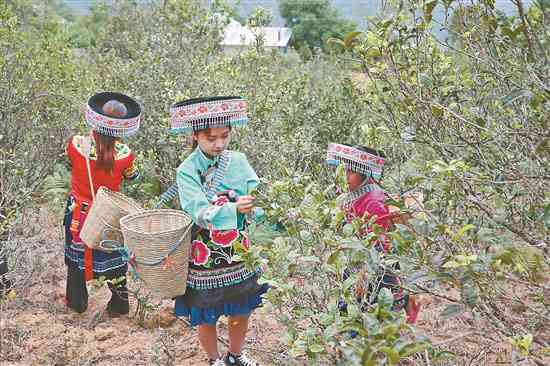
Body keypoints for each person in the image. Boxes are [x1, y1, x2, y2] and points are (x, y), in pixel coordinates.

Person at [170, 96, 268, 366]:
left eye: (225, 136)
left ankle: (236, 355)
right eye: (211, 138)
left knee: (241, 307)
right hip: (204, 253)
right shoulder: (187, 170)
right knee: (206, 313)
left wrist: (261, 210)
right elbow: (197, 211)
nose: (219, 144)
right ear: (196, 135)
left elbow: (258, 197)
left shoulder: (238, 160)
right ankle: (214, 360)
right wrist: (235, 209)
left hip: (239, 249)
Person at [64, 92, 141, 315]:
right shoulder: (125, 155)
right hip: (108, 213)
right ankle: (119, 304)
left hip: (78, 212)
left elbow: (70, 162)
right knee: (112, 255)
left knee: (76, 257)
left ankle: (77, 303)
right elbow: (133, 177)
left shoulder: (76, 144)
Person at [326, 143, 421, 324]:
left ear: (363, 173)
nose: (345, 177)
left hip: (374, 260)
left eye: (350, 172)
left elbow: (377, 242)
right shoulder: (353, 194)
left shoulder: (374, 200)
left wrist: (363, 272)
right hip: (359, 256)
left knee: (373, 303)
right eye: (344, 171)